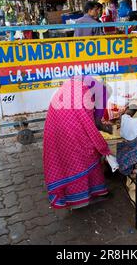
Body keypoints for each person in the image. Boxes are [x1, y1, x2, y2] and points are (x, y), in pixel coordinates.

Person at [43, 76, 114, 210]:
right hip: (69, 121)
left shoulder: (83, 83)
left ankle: (93, 192)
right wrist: (104, 139)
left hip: (55, 118)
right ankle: (79, 200)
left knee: (66, 153)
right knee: (85, 152)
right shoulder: (102, 92)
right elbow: (95, 124)